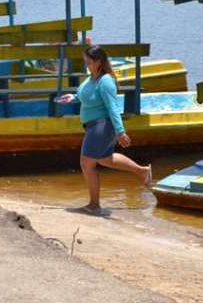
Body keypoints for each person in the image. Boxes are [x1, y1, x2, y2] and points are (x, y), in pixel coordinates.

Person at [59, 45, 151, 216]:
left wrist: (120, 131)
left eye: (89, 62)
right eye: (85, 61)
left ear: (99, 61)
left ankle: (94, 205)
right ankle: (143, 171)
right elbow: (84, 95)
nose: (86, 64)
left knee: (86, 163)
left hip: (101, 126)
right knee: (105, 159)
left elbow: (113, 108)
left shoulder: (106, 81)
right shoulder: (91, 78)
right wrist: (73, 97)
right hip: (93, 126)